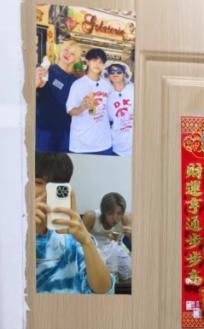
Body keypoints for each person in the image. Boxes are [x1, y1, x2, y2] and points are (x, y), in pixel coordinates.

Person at [34, 151, 113, 294]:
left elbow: (103, 289)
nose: (46, 194)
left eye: (55, 187)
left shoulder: (74, 239)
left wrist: (86, 241)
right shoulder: (8, 232)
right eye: (38, 183)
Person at [65, 47, 113, 154]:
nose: (97, 64)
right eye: (94, 60)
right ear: (87, 62)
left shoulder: (107, 85)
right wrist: (82, 107)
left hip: (104, 143)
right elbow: (70, 111)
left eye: (101, 62)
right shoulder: (78, 84)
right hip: (82, 144)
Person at [35, 42, 79, 153]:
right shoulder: (46, 70)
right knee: (41, 163)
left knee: (61, 163)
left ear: (75, 59)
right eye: (66, 50)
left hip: (64, 133)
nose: (68, 54)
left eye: (72, 54)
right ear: (60, 51)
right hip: (44, 130)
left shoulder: (75, 81)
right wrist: (37, 79)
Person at [82, 191, 132, 287]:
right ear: (103, 211)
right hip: (93, 248)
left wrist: (132, 235)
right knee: (100, 278)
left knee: (130, 270)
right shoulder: (91, 216)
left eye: (119, 213)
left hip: (115, 247)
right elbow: (78, 241)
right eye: (110, 213)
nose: (115, 218)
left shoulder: (125, 218)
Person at [104, 62, 134, 157]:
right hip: (117, 146)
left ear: (124, 74)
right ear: (108, 75)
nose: (115, 74)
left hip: (137, 143)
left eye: (119, 72)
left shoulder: (134, 89)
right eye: (112, 72)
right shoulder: (106, 94)